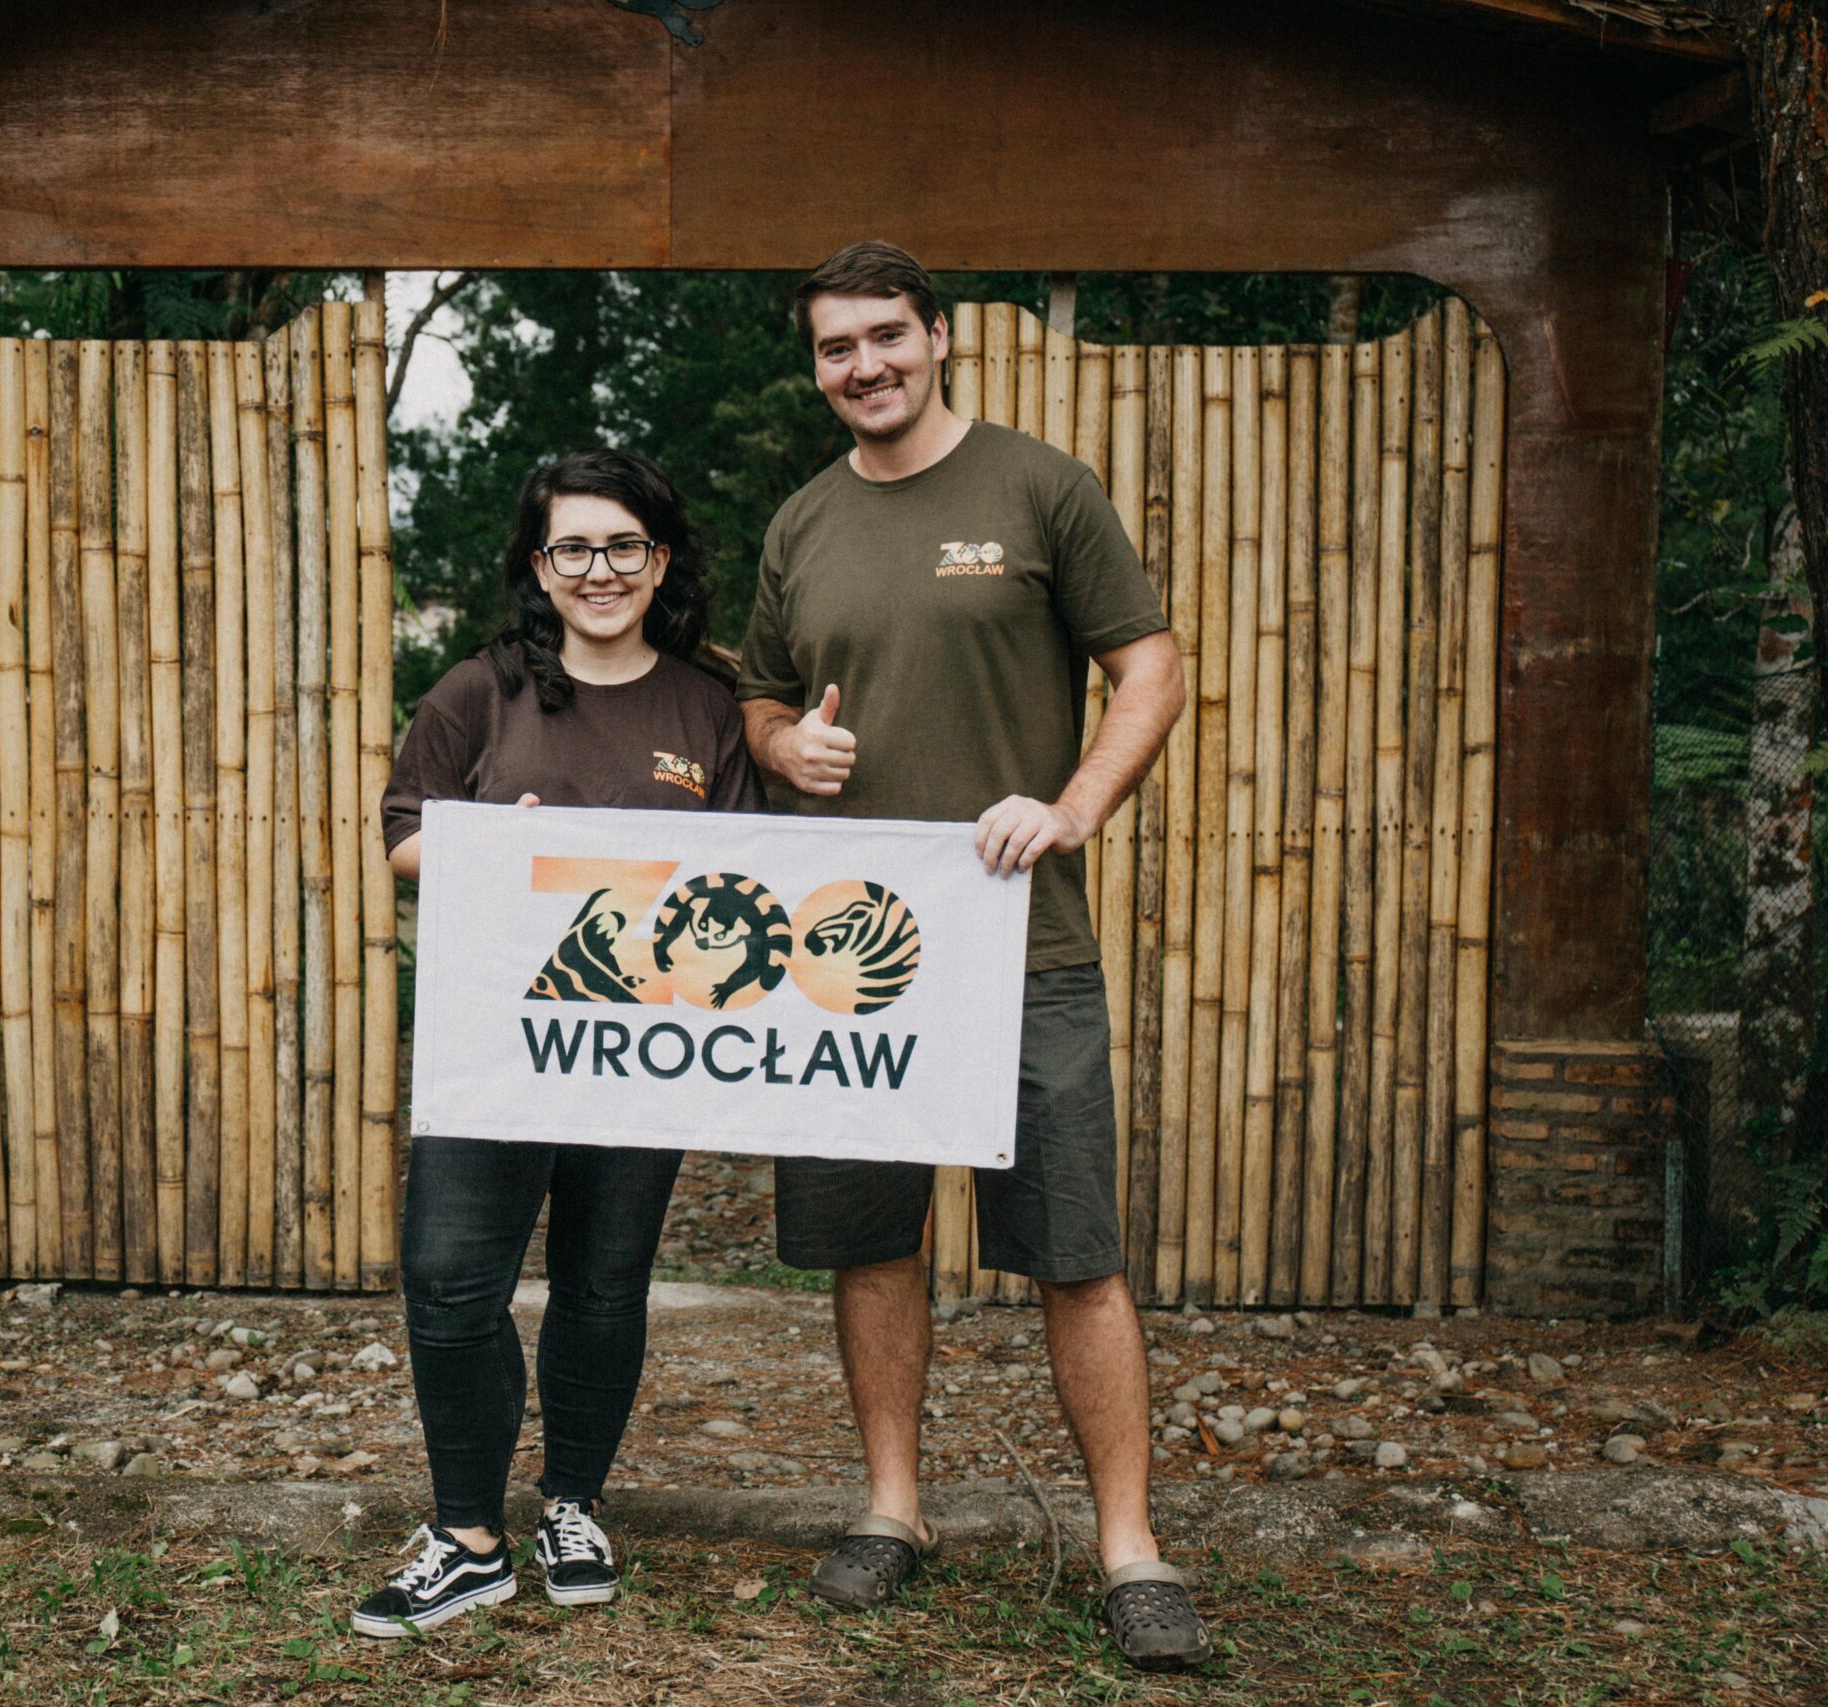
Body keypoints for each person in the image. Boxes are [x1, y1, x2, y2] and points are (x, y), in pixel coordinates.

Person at [735, 242, 1206, 1670]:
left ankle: (1130, 1544)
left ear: (937, 336)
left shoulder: (1037, 487)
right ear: (815, 365)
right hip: (846, 958)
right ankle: (894, 1509)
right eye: (836, 347)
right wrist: (782, 744)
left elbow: (1153, 665)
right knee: (873, 1243)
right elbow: (757, 699)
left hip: (1021, 940)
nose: (864, 365)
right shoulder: (802, 522)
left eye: (887, 335)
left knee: (1076, 1250)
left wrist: (1073, 805)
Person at [358, 448, 763, 1638]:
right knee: (448, 1282)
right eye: (571, 548)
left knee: (601, 1284)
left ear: (661, 559)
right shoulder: (476, 692)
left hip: (644, 1048)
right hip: (496, 1042)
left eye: (622, 545)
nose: (598, 569)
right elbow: (399, 841)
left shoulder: (704, 707)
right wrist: (488, 842)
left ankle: (572, 1501)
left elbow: (744, 877)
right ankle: (467, 1535)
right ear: (540, 566)